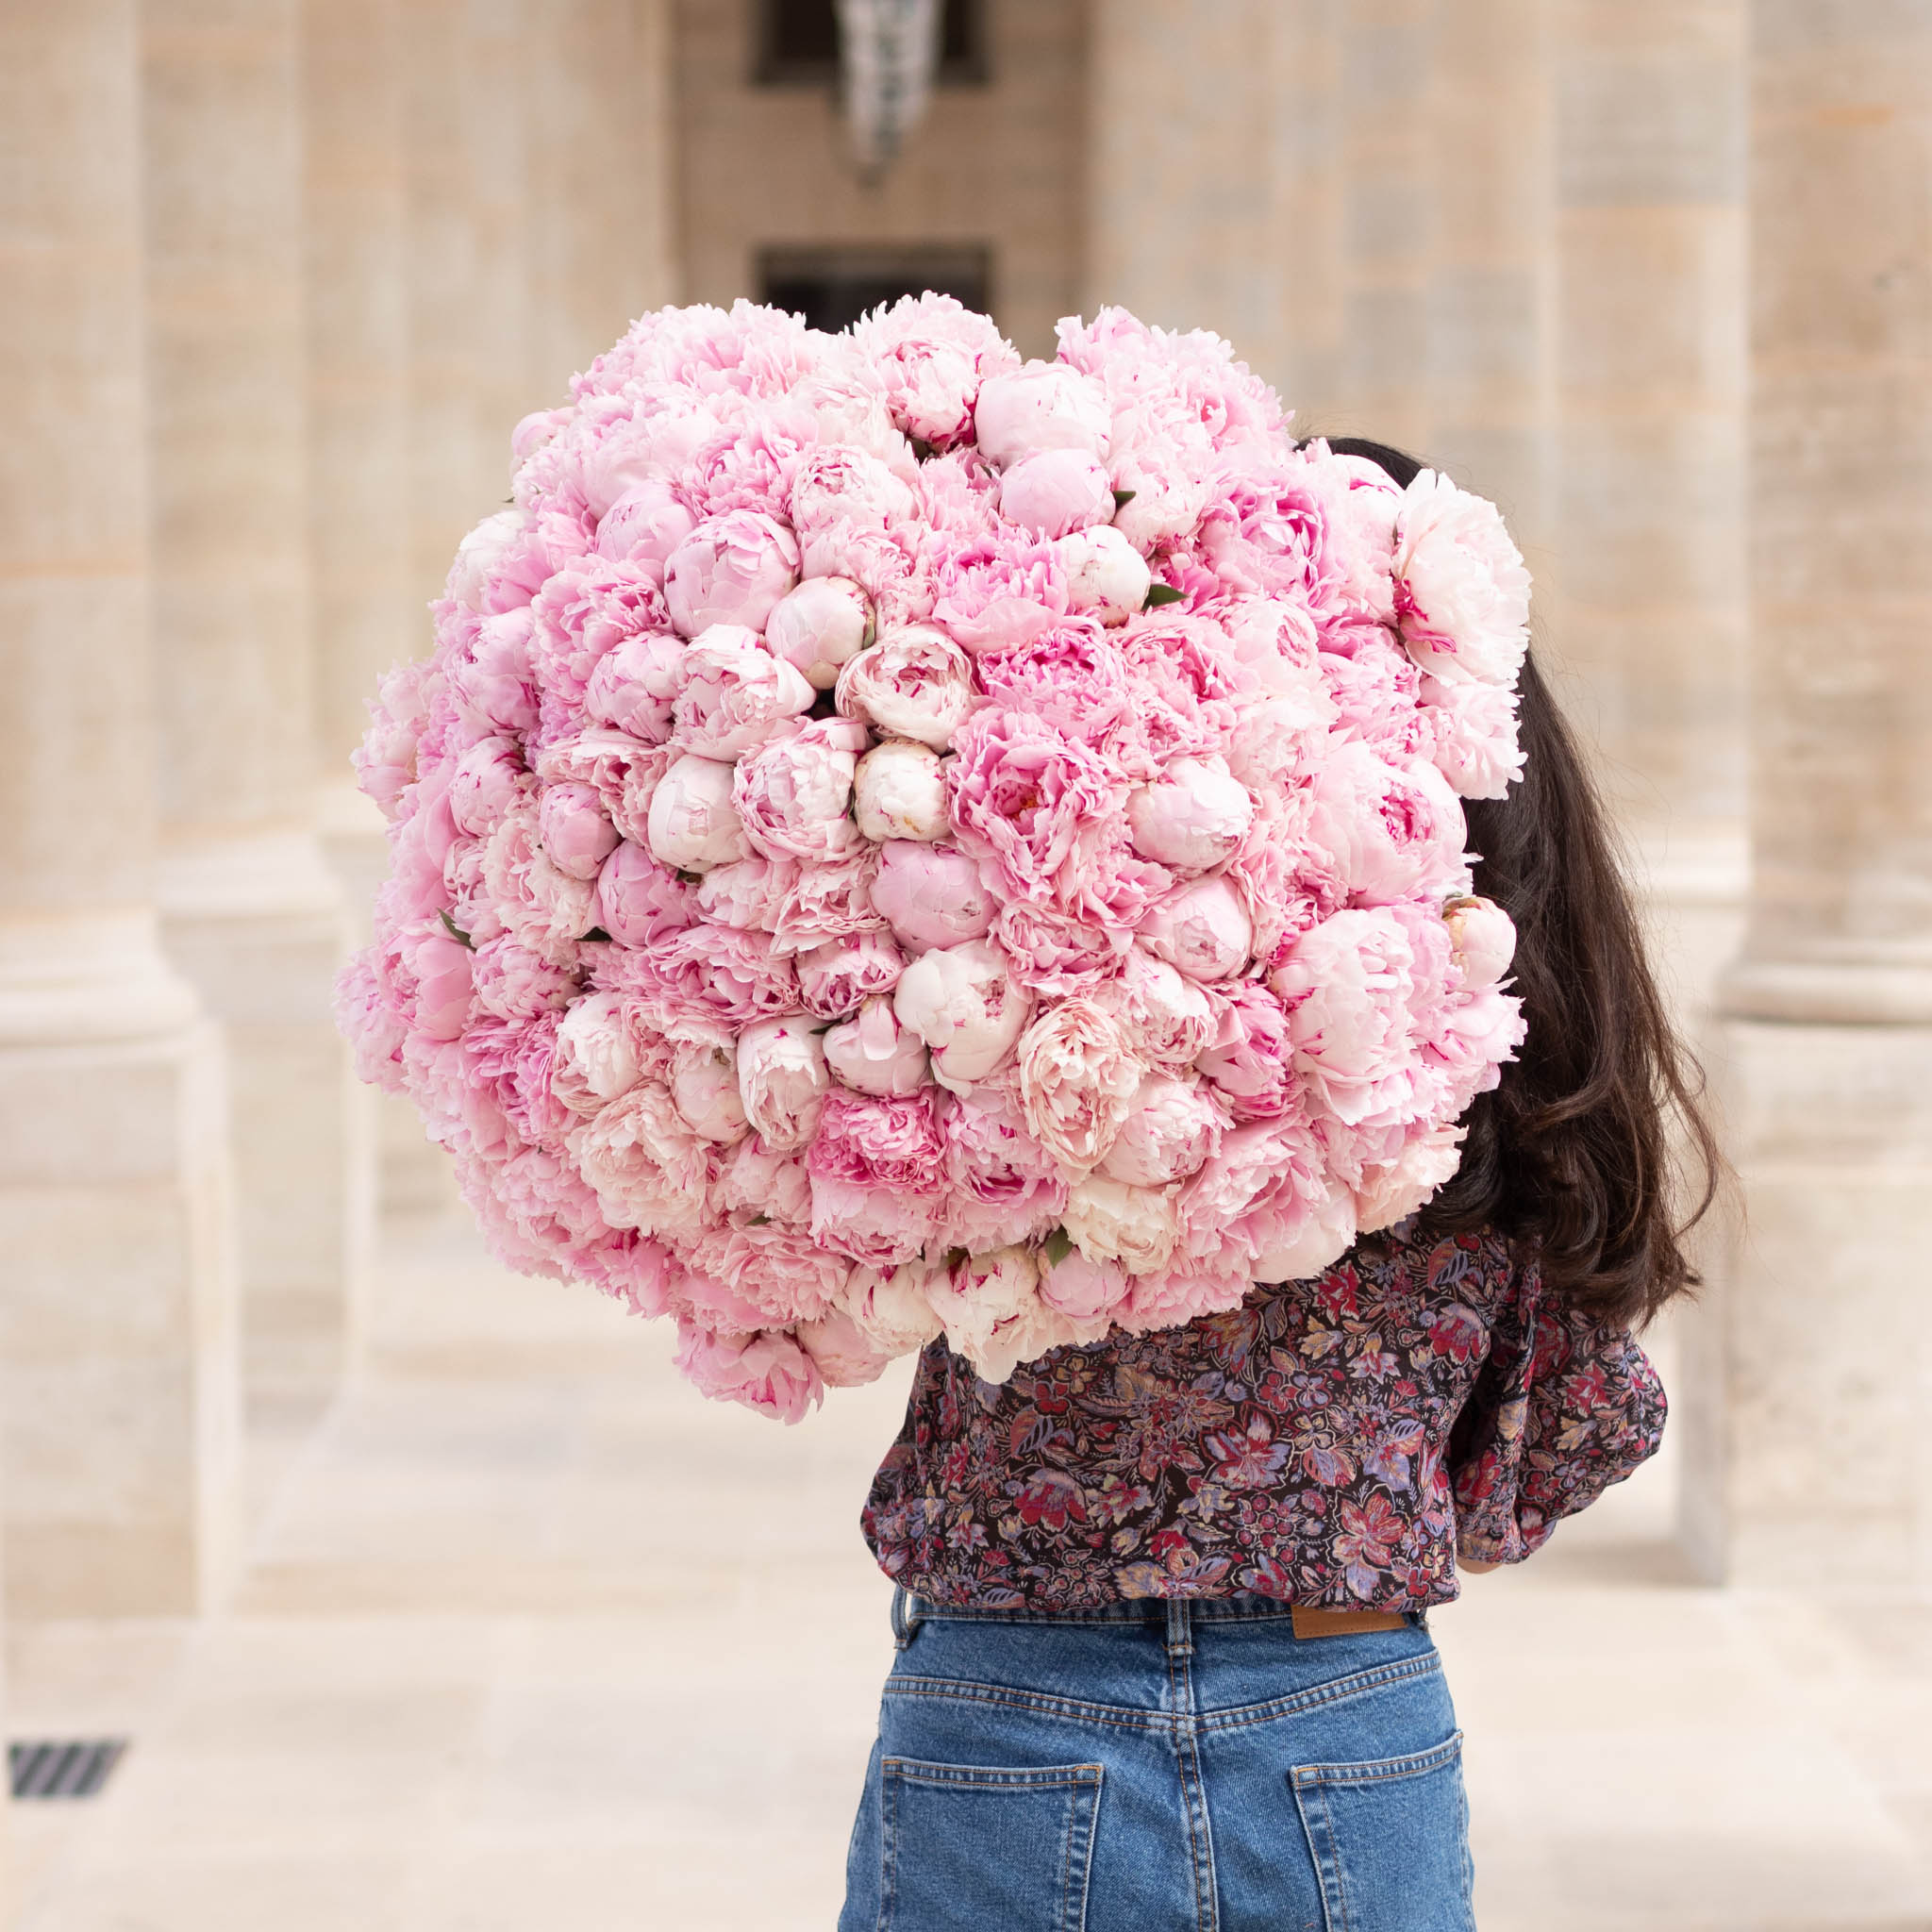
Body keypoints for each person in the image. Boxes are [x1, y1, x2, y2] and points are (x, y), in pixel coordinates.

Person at [836, 439, 1722, 1932]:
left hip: (1004, 1700)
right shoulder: (1508, 1050)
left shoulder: (1029, 969)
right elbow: (1566, 1435)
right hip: (1340, 1717)